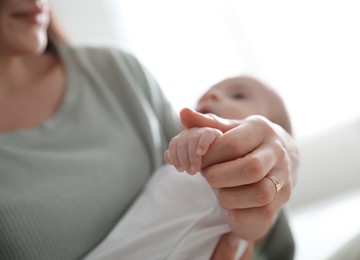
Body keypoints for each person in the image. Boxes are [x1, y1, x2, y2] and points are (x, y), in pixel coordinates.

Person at [0, 0, 299, 260]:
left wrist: (279, 151)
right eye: (213, 92)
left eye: (239, 96)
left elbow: (260, 235)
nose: (213, 97)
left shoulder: (117, 73)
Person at [83, 76, 292, 260]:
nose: (211, 94)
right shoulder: (172, 169)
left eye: (238, 96)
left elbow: (251, 226)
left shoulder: (245, 183)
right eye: (206, 94)